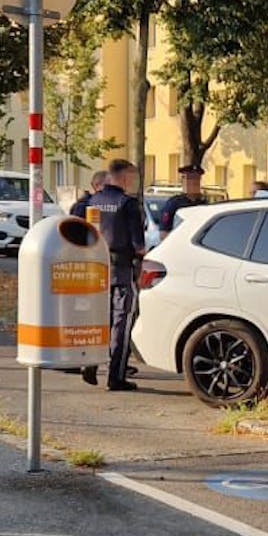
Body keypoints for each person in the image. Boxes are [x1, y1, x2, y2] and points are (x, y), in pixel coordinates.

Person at [82, 159, 148, 392]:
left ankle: (90, 362)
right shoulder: (127, 204)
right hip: (122, 270)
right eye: (132, 177)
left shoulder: (94, 200)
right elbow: (139, 245)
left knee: (99, 319)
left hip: (96, 268)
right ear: (125, 177)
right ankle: (116, 376)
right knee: (121, 321)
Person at [159, 164, 207, 236]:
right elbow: (164, 232)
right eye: (188, 179)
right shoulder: (174, 203)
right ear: (183, 182)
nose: (193, 183)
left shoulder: (204, 204)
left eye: (196, 179)